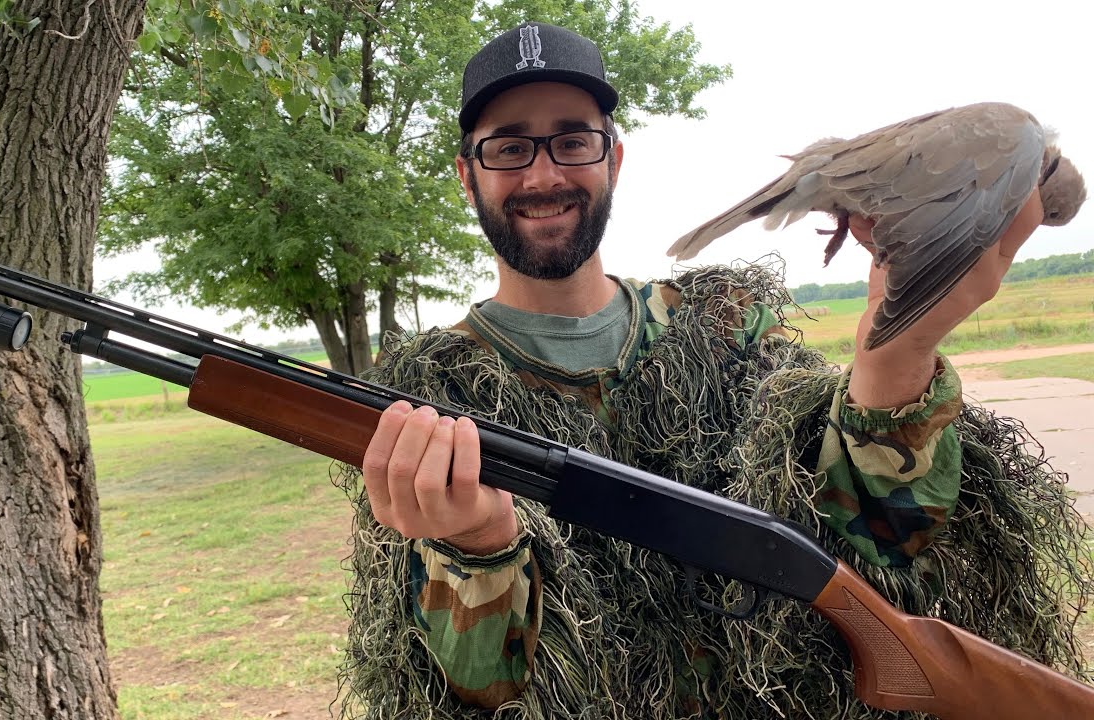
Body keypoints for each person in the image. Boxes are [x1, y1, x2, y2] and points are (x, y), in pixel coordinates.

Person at [336, 21, 1090, 720]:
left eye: (572, 142)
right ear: (467, 175)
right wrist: (477, 547)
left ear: (614, 159)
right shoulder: (423, 400)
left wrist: (895, 360)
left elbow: (876, 552)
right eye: (508, 148)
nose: (541, 176)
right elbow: (475, 691)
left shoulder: (729, 322)